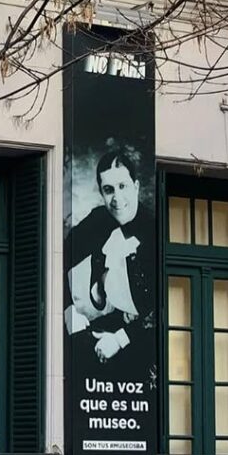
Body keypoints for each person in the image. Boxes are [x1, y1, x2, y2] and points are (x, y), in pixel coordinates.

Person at [64, 150, 152, 366]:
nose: (117, 199)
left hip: (137, 349)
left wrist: (121, 339)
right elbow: (58, 262)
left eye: (123, 187)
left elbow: (160, 309)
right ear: (102, 194)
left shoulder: (153, 231)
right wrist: (68, 313)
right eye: (109, 190)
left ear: (137, 187)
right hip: (89, 340)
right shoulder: (96, 221)